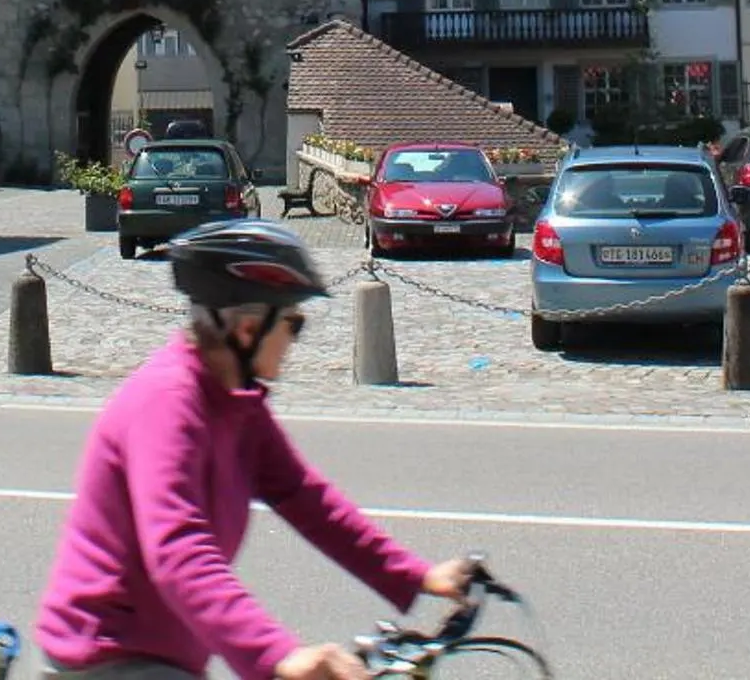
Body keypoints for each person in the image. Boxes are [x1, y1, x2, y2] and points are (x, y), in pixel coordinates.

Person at [32, 220, 477, 679]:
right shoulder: (166, 401)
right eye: (293, 323)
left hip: (162, 657)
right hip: (106, 658)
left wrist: (416, 575)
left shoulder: (233, 401)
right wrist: (278, 654)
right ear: (247, 329)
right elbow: (178, 549)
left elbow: (306, 497)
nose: (294, 340)